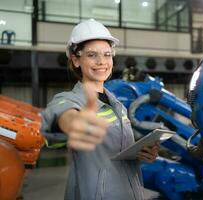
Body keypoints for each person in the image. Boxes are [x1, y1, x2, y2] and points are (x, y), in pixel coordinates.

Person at [41, 19, 159, 200]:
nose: (101, 61)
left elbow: (115, 156)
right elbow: (60, 117)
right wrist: (74, 124)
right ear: (76, 60)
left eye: (107, 54)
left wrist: (142, 154)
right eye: (91, 55)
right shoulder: (68, 100)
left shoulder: (117, 105)